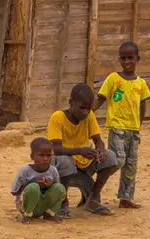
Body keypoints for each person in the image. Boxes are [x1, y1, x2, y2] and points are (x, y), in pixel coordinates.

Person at [93, 42, 150, 209]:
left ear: (137, 59)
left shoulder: (141, 83)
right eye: (124, 58)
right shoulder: (113, 78)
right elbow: (101, 98)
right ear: (119, 59)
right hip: (117, 127)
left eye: (130, 58)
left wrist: (139, 125)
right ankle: (95, 188)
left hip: (133, 129)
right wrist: (88, 114)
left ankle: (125, 198)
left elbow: (142, 105)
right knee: (117, 160)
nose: (127, 62)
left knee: (131, 165)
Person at [47, 84, 119, 217]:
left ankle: (93, 198)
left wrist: (100, 150)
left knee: (111, 157)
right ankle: (63, 201)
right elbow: (56, 149)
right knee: (65, 160)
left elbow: (98, 141)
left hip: (84, 163)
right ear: (70, 103)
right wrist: (80, 151)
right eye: (81, 107)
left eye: (88, 108)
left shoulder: (89, 116)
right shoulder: (57, 117)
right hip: (63, 167)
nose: (85, 112)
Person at [11, 138, 66, 224]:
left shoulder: (53, 170)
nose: (45, 159)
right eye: (41, 155)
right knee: (33, 187)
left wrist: (50, 185)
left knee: (60, 187)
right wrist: (33, 181)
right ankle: (27, 215)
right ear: (32, 156)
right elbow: (14, 192)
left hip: (43, 206)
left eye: (48, 155)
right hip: (26, 206)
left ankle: (49, 214)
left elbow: (57, 191)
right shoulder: (25, 170)